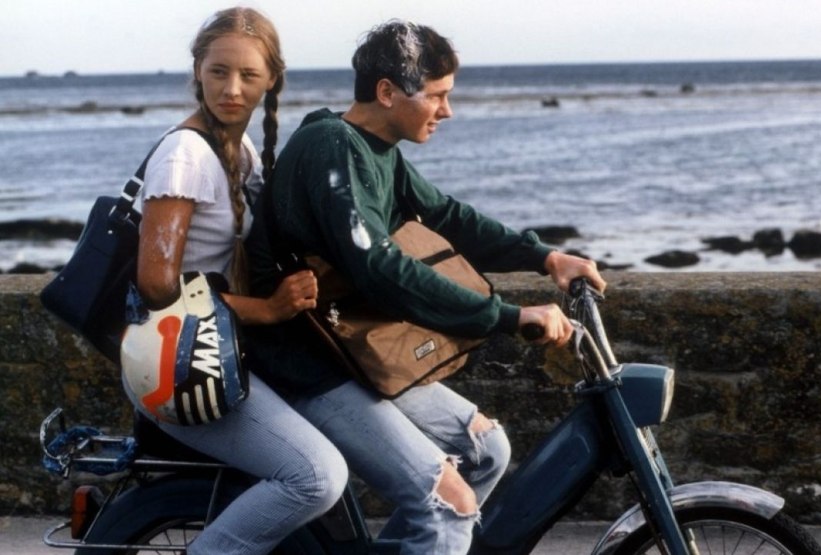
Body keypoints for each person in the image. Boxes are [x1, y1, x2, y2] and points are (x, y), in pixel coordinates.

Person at [247, 19, 607, 553]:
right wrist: (507, 316)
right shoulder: (331, 148)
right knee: (448, 505)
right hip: (309, 365)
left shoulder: (374, 149)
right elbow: (380, 267)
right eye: (436, 95)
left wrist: (545, 257)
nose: (447, 110)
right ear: (387, 92)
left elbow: (447, 217)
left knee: (486, 451)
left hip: (350, 352)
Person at [130, 8, 347, 554]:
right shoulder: (184, 155)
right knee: (315, 476)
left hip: (218, 350)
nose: (231, 89)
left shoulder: (240, 150)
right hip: (180, 366)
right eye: (218, 71)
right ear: (197, 71)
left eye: (249, 75)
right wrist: (269, 310)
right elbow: (156, 286)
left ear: (271, 78)